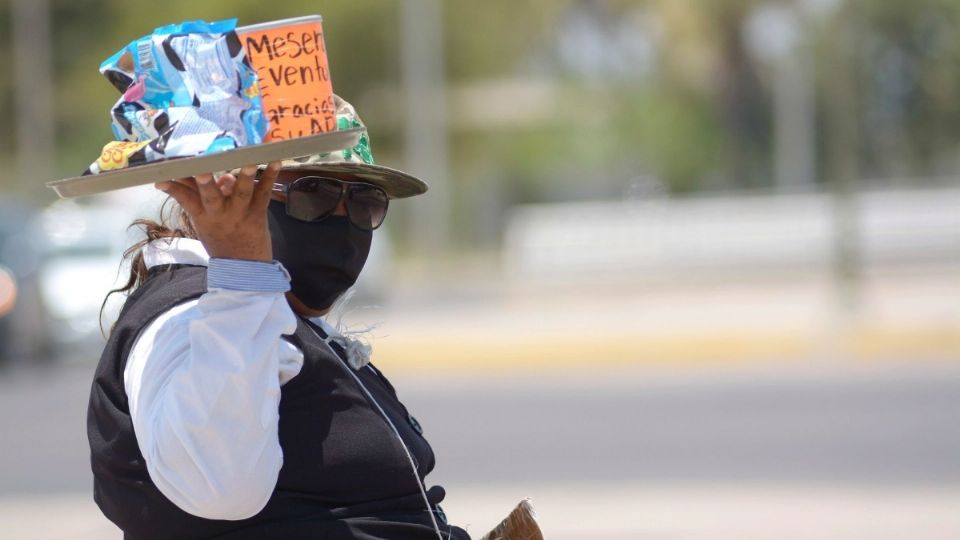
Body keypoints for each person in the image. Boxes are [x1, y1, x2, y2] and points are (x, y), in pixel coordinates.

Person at [87, 96, 472, 540]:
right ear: (234, 189)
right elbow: (220, 488)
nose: (343, 227)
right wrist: (243, 272)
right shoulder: (190, 314)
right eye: (315, 194)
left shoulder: (267, 312)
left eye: (365, 202)